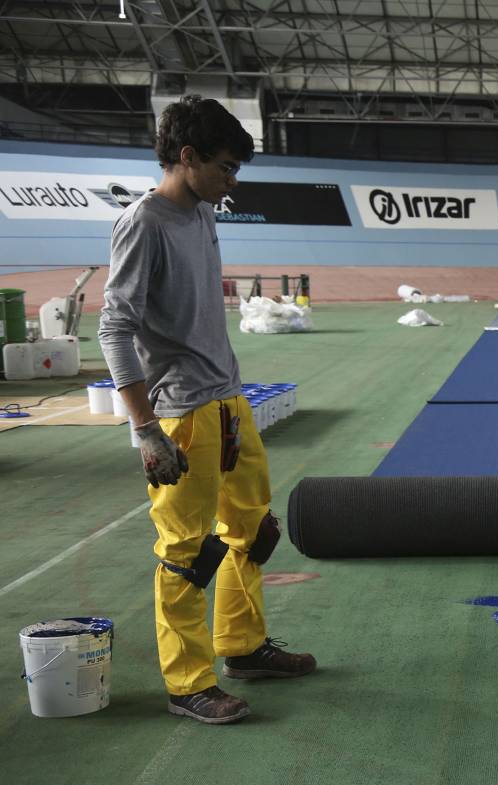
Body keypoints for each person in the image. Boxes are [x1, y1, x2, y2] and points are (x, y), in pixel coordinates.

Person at [99, 95, 315, 725]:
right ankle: (188, 682)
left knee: (253, 532)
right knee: (186, 554)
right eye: (225, 166)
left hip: (228, 403)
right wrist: (145, 430)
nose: (232, 180)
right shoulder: (143, 223)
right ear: (186, 156)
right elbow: (115, 329)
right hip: (181, 416)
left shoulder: (201, 212)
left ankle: (243, 648)